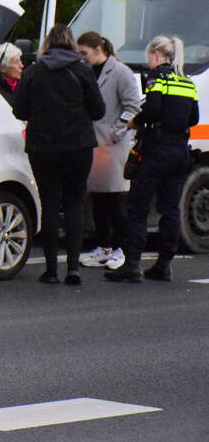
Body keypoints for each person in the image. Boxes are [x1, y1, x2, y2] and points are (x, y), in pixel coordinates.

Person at [12, 25, 105, 285]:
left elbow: (19, 110)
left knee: (50, 204)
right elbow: (98, 111)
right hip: (78, 146)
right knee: (75, 203)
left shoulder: (34, 72)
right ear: (72, 44)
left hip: (43, 148)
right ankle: (73, 267)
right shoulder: (83, 71)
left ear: (46, 45)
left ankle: (51, 270)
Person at [107, 36, 199, 283]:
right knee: (170, 209)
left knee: (137, 206)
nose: (148, 61)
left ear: (157, 55)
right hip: (180, 152)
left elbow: (153, 108)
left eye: (149, 56)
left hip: (157, 150)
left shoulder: (157, 78)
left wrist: (135, 122)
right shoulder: (187, 82)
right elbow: (193, 118)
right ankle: (164, 264)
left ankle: (132, 264)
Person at [76, 32, 141, 270]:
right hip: (94, 144)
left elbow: (133, 106)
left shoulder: (121, 72)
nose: (81, 57)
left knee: (114, 200)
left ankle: (122, 249)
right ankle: (104, 247)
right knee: (98, 199)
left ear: (97, 49)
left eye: (84, 53)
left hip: (112, 145)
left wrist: (117, 132)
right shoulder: (86, 71)